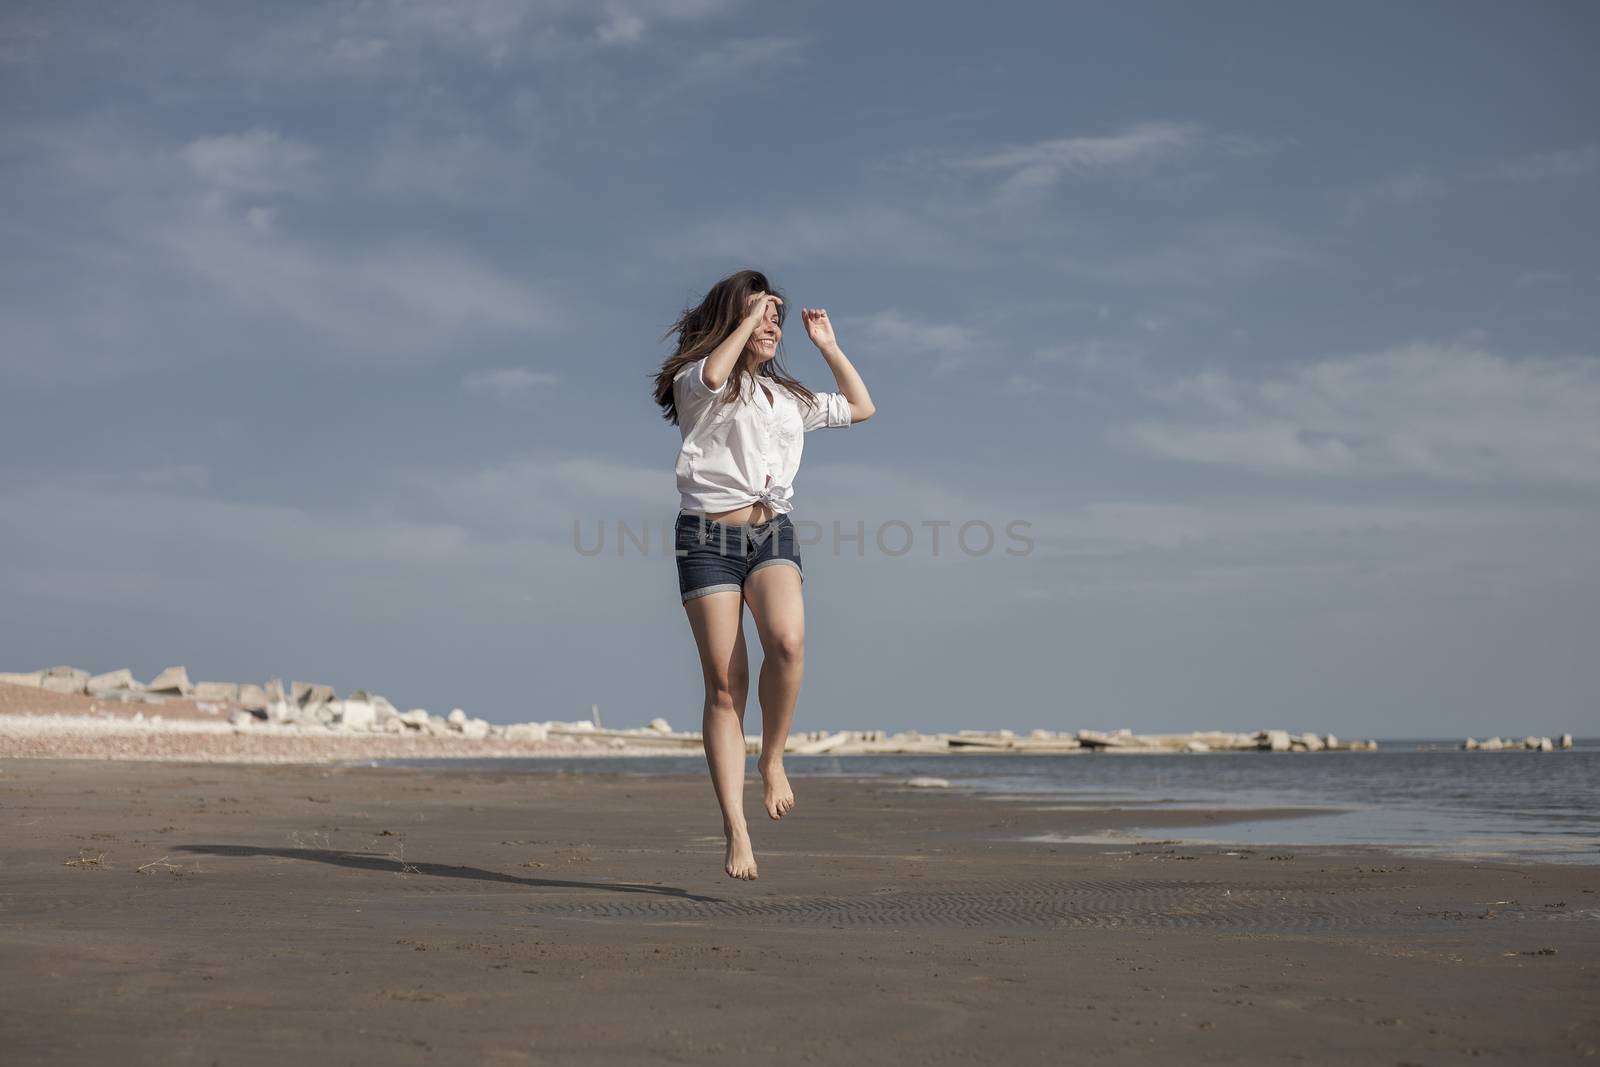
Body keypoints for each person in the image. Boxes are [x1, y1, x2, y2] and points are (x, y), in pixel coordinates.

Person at [652, 269, 876, 880]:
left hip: (770, 529)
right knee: (727, 687)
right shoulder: (696, 384)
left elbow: (861, 407)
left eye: (777, 319)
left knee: (788, 640)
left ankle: (772, 758)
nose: (773, 326)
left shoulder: (786, 399)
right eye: (761, 317)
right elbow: (717, 372)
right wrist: (750, 316)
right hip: (705, 537)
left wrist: (828, 346)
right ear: (735, 322)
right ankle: (736, 827)